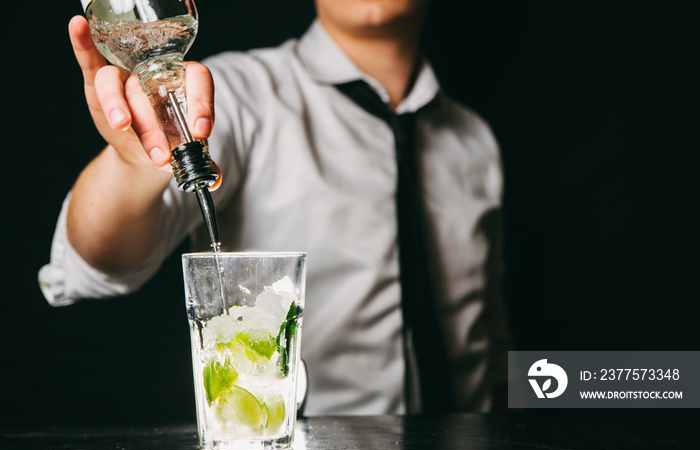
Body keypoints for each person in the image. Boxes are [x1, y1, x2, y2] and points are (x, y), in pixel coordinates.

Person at [40, 0, 510, 416]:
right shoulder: (234, 96)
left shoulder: (477, 143)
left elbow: (487, 336)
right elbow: (93, 264)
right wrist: (134, 165)